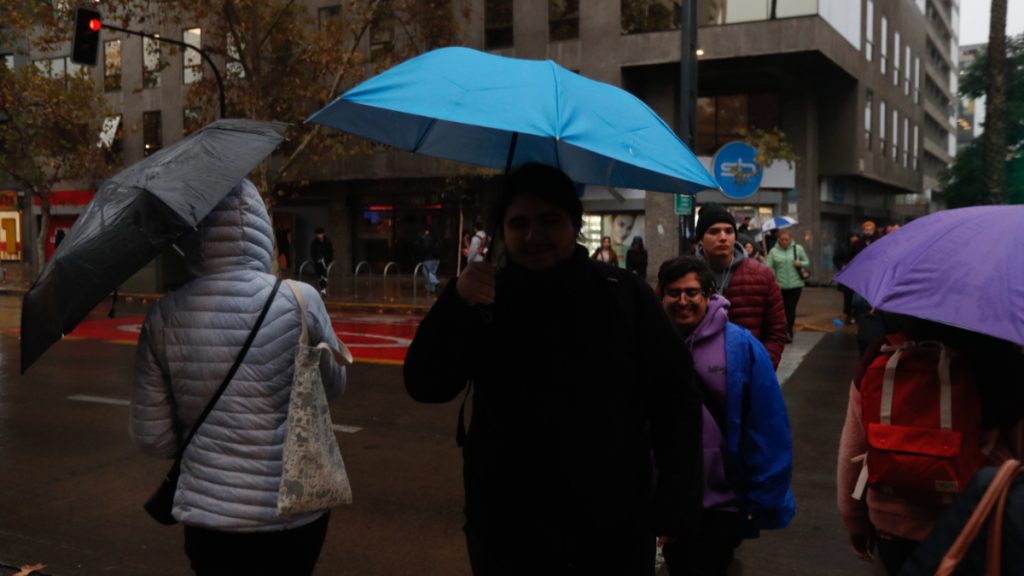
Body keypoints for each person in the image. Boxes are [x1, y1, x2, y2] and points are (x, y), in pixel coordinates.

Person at [403, 163, 704, 574]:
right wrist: (455, 301)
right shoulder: (484, 298)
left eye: (549, 221)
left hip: (612, 526)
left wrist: (674, 502)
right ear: (501, 229)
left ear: (574, 225)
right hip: (506, 528)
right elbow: (425, 382)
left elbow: (676, 402)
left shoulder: (624, 295)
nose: (533, 236)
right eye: (519, 222)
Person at [130, 180, 349, 576]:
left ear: (196, 236)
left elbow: (154, 438)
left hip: (211, 518)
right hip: (295, 515)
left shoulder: (163, 317)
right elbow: (334, 388)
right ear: (262, 232)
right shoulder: (301, 300)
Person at [837, 318, 1024, 575]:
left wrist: (855, 521)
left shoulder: (884, 350)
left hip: (891, 522)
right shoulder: (1001, 359)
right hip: (977, 520)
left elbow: (853, 447)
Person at [657, 256, 795, 576]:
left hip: (722, 500)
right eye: (673, 293)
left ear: (708, 294)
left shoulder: (741, 347)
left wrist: (765, 496)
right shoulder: (652, 344)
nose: (683, 301)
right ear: (661, 295)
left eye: (691, 292)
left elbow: (768, 425)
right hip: (673, 498)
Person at [694, 203, 788, 369]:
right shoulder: (683, 275)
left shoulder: (761, 275)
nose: (723, 237)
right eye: (714, 231)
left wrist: (762, 367)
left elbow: (776, 330)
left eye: (729, 231)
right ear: (701, 238)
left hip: (747, 372)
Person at [765, 230, 810, 343]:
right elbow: (767, 267)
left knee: (790, 309)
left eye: (787, 239)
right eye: (782, 240)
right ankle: (783, 331)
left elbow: (807, 262)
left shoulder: (798, 248)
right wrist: (771, 274)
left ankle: (788, 332)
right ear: (778, 240)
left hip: (796, 285)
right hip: (780, 286)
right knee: (782, 310)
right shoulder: (774, 251)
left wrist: (800, 263)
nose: (785, 242)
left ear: (790, 239)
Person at [414, 225, 442, 294]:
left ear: (427, 231)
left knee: (425, 271)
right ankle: (432, 289)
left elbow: (426, 248)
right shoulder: (436, 237)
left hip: (429, 258)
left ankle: (435, 282)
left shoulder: (427, 238)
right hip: (436, 259)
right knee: (432, 273)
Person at [310, 226, 334, 296]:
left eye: (320, 234)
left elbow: (330, 252)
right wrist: (316, 259)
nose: (319, 236)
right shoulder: (314, 242)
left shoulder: (327, 241)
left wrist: (329, 260)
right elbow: (312, 252)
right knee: (319, 276)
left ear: (323, 234)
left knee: (324, 274)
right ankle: (322, 288)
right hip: (317, 261)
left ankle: (323, 289)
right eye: (318, 234)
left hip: (326, 261)